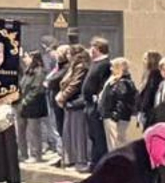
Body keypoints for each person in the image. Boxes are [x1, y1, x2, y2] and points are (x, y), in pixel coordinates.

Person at [56, 44, 92, 170]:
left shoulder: (81, 67)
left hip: (77, 103)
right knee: (70, 133)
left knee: (78, 134)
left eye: (68, 54)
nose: (67, 56)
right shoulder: (75, 66)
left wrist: (62, 97)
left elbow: (74, 85)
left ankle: (80, 160)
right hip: (69, 103)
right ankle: (72, 160)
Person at [80, 37, 112, 166]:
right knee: (92, 135)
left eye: (92, 47)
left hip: (95, 106)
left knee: (99, 137)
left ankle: (99, 164)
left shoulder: (105, 64)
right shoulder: (95, 63)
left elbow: (104, 84)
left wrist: (96, 97)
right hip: (88, 105)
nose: (90, 50)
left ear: (98, 49)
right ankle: (93, 162)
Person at [99, 58, 140, 150]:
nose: (110, 69)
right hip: (109, 114)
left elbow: (122, 100)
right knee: (113, 142)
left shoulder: (123, 83)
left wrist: (115, 116)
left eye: (113, 67)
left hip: (115, 117)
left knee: (116, 142)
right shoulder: (113, 80)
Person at [16, 53, 50, 162]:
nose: (25, 59)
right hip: (21, 104)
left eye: (27, 57)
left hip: (33, 105)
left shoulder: (39, 72)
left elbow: (36, 89)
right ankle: (23, 153)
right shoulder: (27, 71)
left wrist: (25, 101)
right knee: (21, 130)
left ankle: (36, 155)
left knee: (33, 131)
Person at [133, 51, 164, 129]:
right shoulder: (146, 74)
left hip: (150, 111)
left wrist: (143, 109)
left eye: (145, 58)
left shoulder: (155, 75)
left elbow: (149, 94)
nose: (143, 61)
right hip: (144, 111)